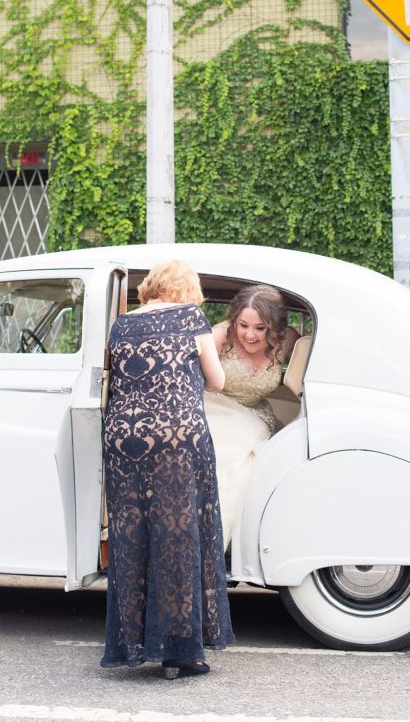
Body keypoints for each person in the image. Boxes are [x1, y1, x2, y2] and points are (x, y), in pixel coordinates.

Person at [101, 259, 234, 680]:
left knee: (131, 535)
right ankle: (182, 651)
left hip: (122, 437)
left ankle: (131, 644)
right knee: (178, 534)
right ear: (187, 290)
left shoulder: (121, 324)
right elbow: (216, 381)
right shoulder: (191, 316)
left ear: (151, 287)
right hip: (177, 437)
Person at [205, 285, 300, 546]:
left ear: (275, 327)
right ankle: (209, 543)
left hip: (256, 416)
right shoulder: (218, 337)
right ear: (234, 319)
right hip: (214, 409)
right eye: (243, 325)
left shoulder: (288, 339)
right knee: (227, 461)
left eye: (261, 328)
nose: (250, 335)